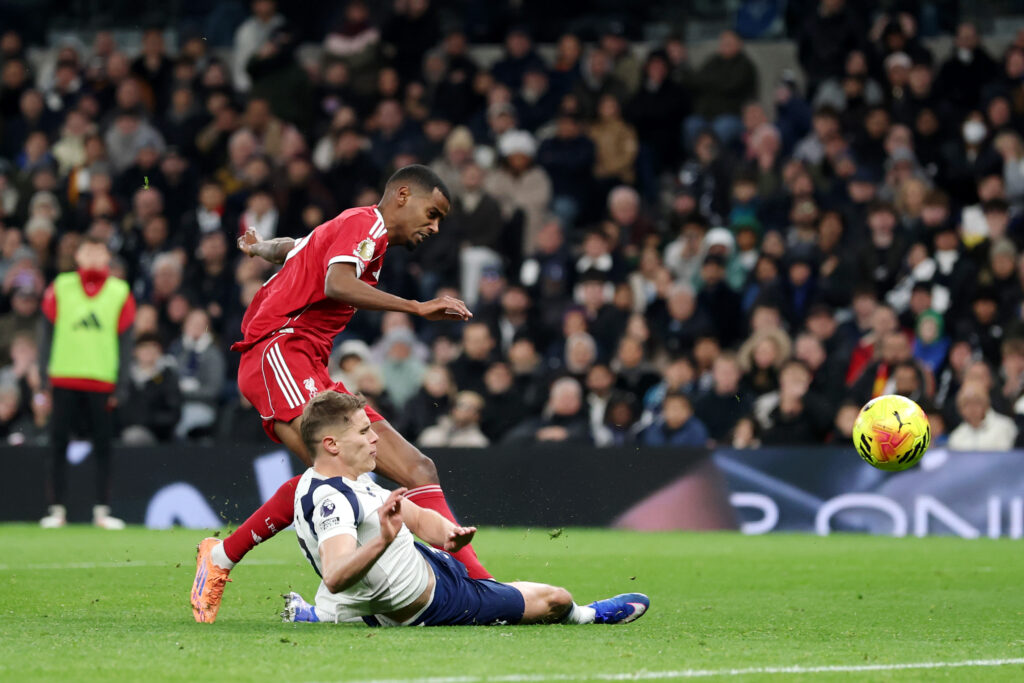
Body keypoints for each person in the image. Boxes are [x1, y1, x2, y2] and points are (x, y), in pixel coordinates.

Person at [191, 165, 489, 623]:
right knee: (332, 477)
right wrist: (416, 307)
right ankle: (222, 560)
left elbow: (295, 247)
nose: (434, 227)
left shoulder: (362, 237)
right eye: (432, 213)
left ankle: (483, 587)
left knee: (417, 468)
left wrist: (258, 248)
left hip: (309, 362)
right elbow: (335, 285)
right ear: (403, 195)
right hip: (279, 351)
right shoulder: (363, 223)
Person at [282, 391, 649, 627]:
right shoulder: (333, 500)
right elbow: (334, 574)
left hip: (409, 578)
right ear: (331, 444)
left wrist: (447, 534)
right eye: (363, 432)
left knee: (392, 572)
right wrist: (382, 542)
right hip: (438, 602)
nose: (375, 437)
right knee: (555, 599)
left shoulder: (340, 479)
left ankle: (316, 613)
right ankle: (589, 616)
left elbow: (416, 517)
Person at [38, 236, 135, 529]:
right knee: (57, 444)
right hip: (64, 377)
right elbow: (46, 334)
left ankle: (102, 511)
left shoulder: (120, 291)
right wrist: (44, 377)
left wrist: (121, 384)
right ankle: (57, 510)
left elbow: (126, 342)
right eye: (87, 251)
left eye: (99, 251)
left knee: (104, 447)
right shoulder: (60, 286)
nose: (93, 256)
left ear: (108, 257)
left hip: (102, 380)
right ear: (77, 256)